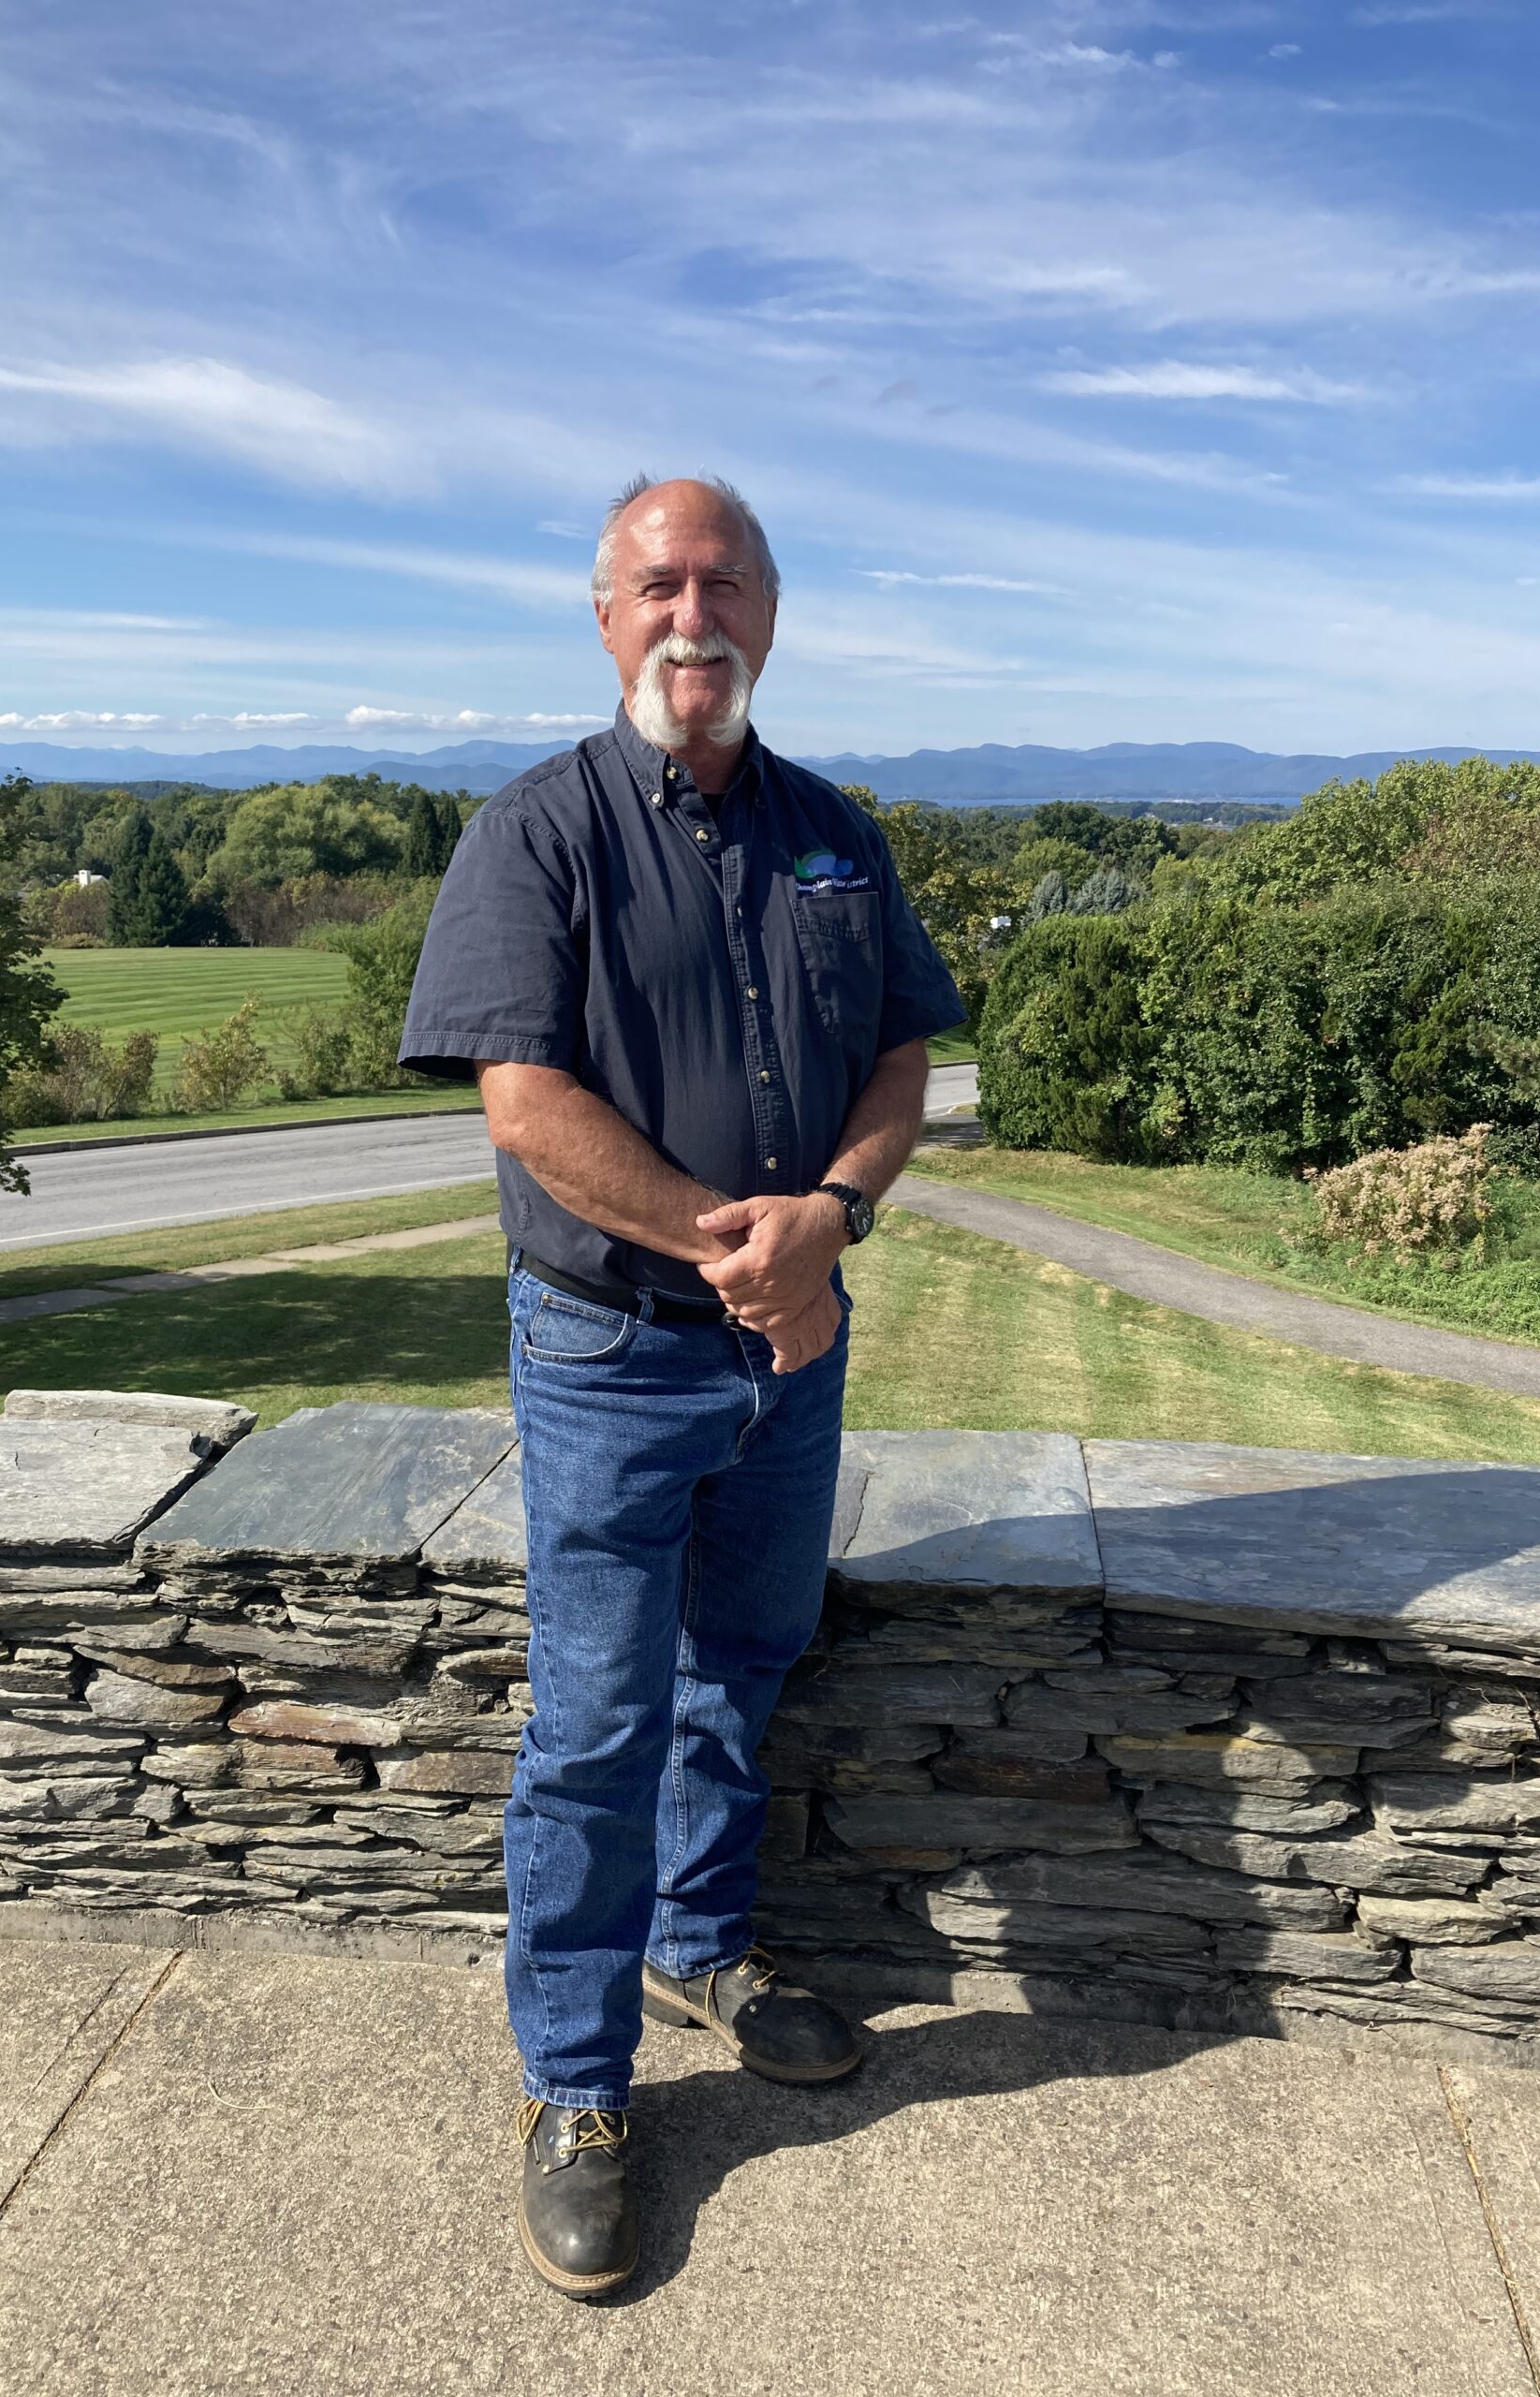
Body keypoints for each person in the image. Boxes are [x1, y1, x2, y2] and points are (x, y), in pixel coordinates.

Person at [399, 475, 964, 2297]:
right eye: (657, 582)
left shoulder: (835, 834)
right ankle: (575, 2087)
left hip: (792, 1364)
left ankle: (702, 1943)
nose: (691, 613)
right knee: (590, 1721)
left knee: (747, 1658)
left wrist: (838, 1213)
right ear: (604, 614)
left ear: (774, 614)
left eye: (724, 581)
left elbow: (900, 1052)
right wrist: (754, 1253)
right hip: (614, 1354)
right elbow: (522, 1097)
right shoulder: (536, 832)